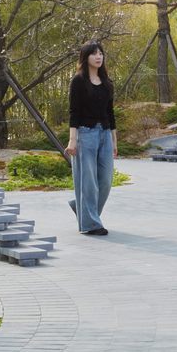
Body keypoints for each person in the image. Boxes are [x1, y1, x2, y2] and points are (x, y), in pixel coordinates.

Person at [66, 41, 116, 236]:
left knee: (105, 180)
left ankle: (81, 208)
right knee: (88, 181)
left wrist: (114, 140)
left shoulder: (107, 83)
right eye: (94, 53)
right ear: (85, 57)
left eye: (101, 53)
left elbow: (110, 114)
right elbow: (74, 112)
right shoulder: (78, 81)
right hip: (85, 134)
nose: (99, 56)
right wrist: (73, 140)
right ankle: (91, 223)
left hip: (104, 134)